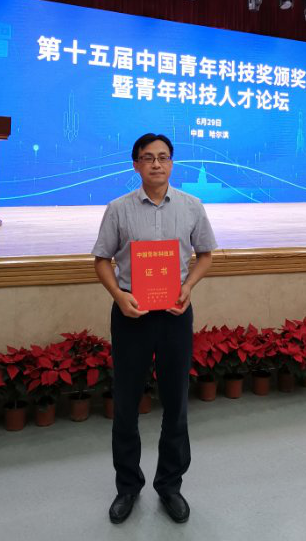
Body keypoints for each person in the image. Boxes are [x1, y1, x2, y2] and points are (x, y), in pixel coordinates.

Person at [92, 132, 216, 525]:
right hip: (132, 315)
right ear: (136, 164)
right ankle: (128, 486)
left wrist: (189, 285)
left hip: (175, 315)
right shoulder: (118, 209)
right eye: (148, 158)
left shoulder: (192, 206)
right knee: (126, 405)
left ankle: (170, 485)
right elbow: (101, 260)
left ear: (172, 163)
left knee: (176, 404)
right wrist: (118, 296)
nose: (156, 164)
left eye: (163, 157)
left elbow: (206, 255)